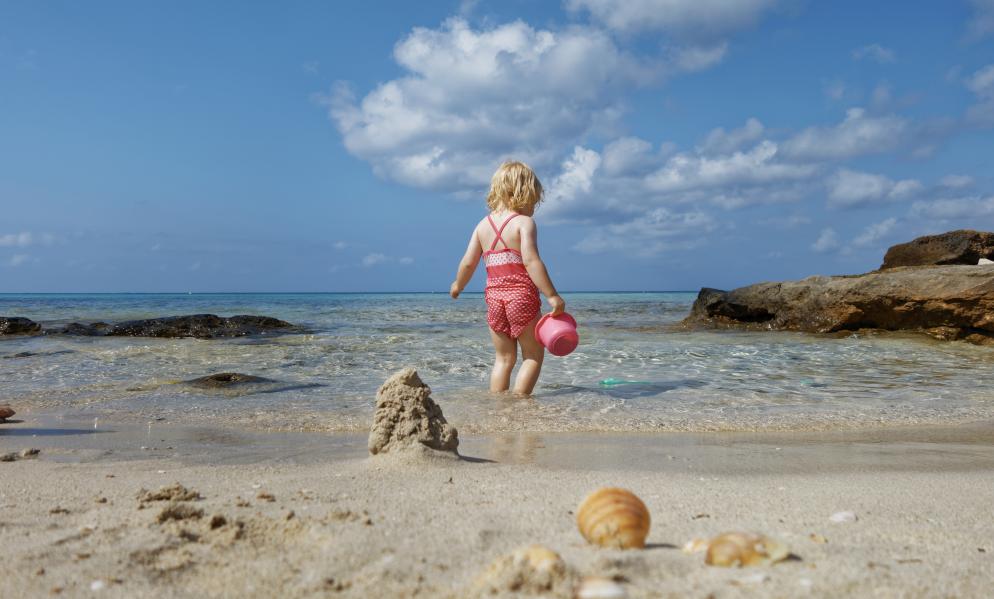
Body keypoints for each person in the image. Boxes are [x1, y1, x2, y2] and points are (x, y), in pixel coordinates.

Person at [450, 161, 566, 396]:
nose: (534, 207)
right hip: (521, 299)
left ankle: (499, 407)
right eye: (534, 200)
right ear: (521, 193)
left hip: (494, 301)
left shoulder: (482, 226)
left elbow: (468, 262)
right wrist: (552, 295)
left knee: (503, 359)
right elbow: (531, 261)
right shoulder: (524, 223)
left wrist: (457, 285)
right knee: (532, 356)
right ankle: (520, 405)